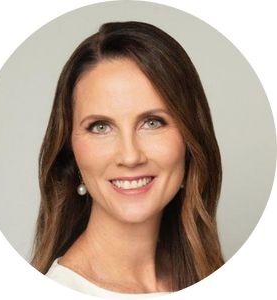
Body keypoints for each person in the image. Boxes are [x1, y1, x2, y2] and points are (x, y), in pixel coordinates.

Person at [29, 21, 227, 298]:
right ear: (69, 151)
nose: (130, 156)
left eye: (153, 122)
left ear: (190, 137)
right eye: (100, 127)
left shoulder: (204, 270)